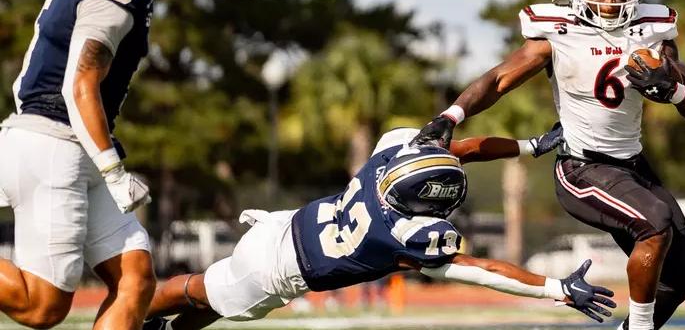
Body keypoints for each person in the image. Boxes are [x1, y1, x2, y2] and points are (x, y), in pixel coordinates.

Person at [411, 0, 685, 330]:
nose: (608, 0)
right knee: (655, 223)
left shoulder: (652, 32)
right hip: (582, 167)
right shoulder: (557, 32)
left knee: (681, 279)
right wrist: (451, 116)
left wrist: (673, 89)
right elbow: (500, 79)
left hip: (633, 166)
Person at [143, 126, 616, 329]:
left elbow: (458, 148)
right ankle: (128, 314)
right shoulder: (408, 235)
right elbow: (483, 269)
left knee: (207, 293)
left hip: (284, 228)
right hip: (277, 272)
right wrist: (556, 287)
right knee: (203, 294)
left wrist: (530, 144)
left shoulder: (389, 155)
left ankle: (137, 315)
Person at [0, 0, 184, 328]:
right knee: (40, 306)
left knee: (134, 278)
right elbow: (78, 85)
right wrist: (113, 171)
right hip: (54, 144)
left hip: (64, 143)